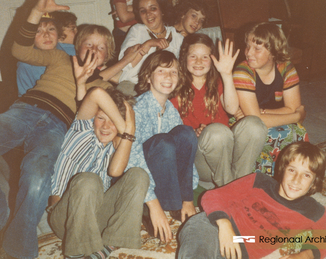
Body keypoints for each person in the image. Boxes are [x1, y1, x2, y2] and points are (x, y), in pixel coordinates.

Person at [0, 0, 136, 257]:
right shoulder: (61, 57)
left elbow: (88, 119)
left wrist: (85, 85)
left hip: (57, 127)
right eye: (88, 44)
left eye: (101, 47)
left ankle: (16, 252)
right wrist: (36, 12)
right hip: (26, 109)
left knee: (38, 179)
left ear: (108, 55)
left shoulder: (105, 90)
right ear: (76, 46)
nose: (94, 49)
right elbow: (19, 49)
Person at [48, 67, 149, 258]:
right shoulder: (82, 130)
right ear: (93, 118)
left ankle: (113, 242)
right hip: (65, 217)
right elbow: (96, 93)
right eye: (101, 118)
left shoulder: (114, 143)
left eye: (112, 122)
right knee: (89, 180)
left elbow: (116, 171)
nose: (105, 126)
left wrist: (128, 133)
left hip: (94, 218)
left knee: (138, 175)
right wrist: (122, 127)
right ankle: (78, 252)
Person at [178, 141, 326, 259]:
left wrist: (303, 256)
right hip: (215, 226)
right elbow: (213, 196)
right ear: (283, 169)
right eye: (292, 170)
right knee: (198, 233)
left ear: (314, 181)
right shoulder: (259, 181)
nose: (296, 180)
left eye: (306, 175)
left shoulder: (313, 211)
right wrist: (224, 225)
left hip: (240, 253)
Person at [170, 34, 267, 188]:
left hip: (227, 153)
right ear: (184, 58)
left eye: (205, 57)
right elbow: (171, 129)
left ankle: (240, 186)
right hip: (202, 160)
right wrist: (192, 132)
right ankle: (230, 189)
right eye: (193, 56)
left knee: (254, 124)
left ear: (213, 59)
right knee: (216, 133)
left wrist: (226, 74)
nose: (198, 62)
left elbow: (232, 108)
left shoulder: (218, 82)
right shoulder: (175, 86)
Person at [124, 50, 198, 244]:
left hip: (164, 180)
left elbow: (187, 152)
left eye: (173, 72)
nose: (168, 76)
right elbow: (130, 156)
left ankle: (175, 203)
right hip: (135, 179)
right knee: (163, 142)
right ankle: (149, 209)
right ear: (148, 77)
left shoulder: (171, 110)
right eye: (161, 71)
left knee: (186, 133)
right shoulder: (138, 107)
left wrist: (188, 198)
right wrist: (153, 204)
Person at [233, 22, 308, 176]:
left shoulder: (286, 68)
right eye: (248, 46)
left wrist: (265, 113)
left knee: (298, 132)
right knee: (270, 134)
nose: (248, 53)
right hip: (245, 125)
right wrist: (296, 116)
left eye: (257, 49)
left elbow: (292, 107)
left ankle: (290, 176)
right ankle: (258, 178)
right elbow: (255, 120)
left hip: (269, 118)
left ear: (274, 51)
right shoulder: (243, 71)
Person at [116, 0, 184, 94]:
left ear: (162, 10)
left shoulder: (177, 37)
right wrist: (148, 44)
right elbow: (125, 64)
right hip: (134, 85)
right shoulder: (137, 30)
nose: (148, 14)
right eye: (143, 11)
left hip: (165, 87)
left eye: (153, 8)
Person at [16, 11, 76, 97]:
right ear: (30, 37)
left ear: (58, 32)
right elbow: (24, 96)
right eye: (38, 31)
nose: (47, 35)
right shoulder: (25, 66)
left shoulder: (73, 51)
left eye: (51, 29)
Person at [109, 0, 137, 65]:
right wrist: (139, 11)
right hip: (123, 35)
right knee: (122, 63)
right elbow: (124, 18)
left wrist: (130, 9)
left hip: (140, 32)